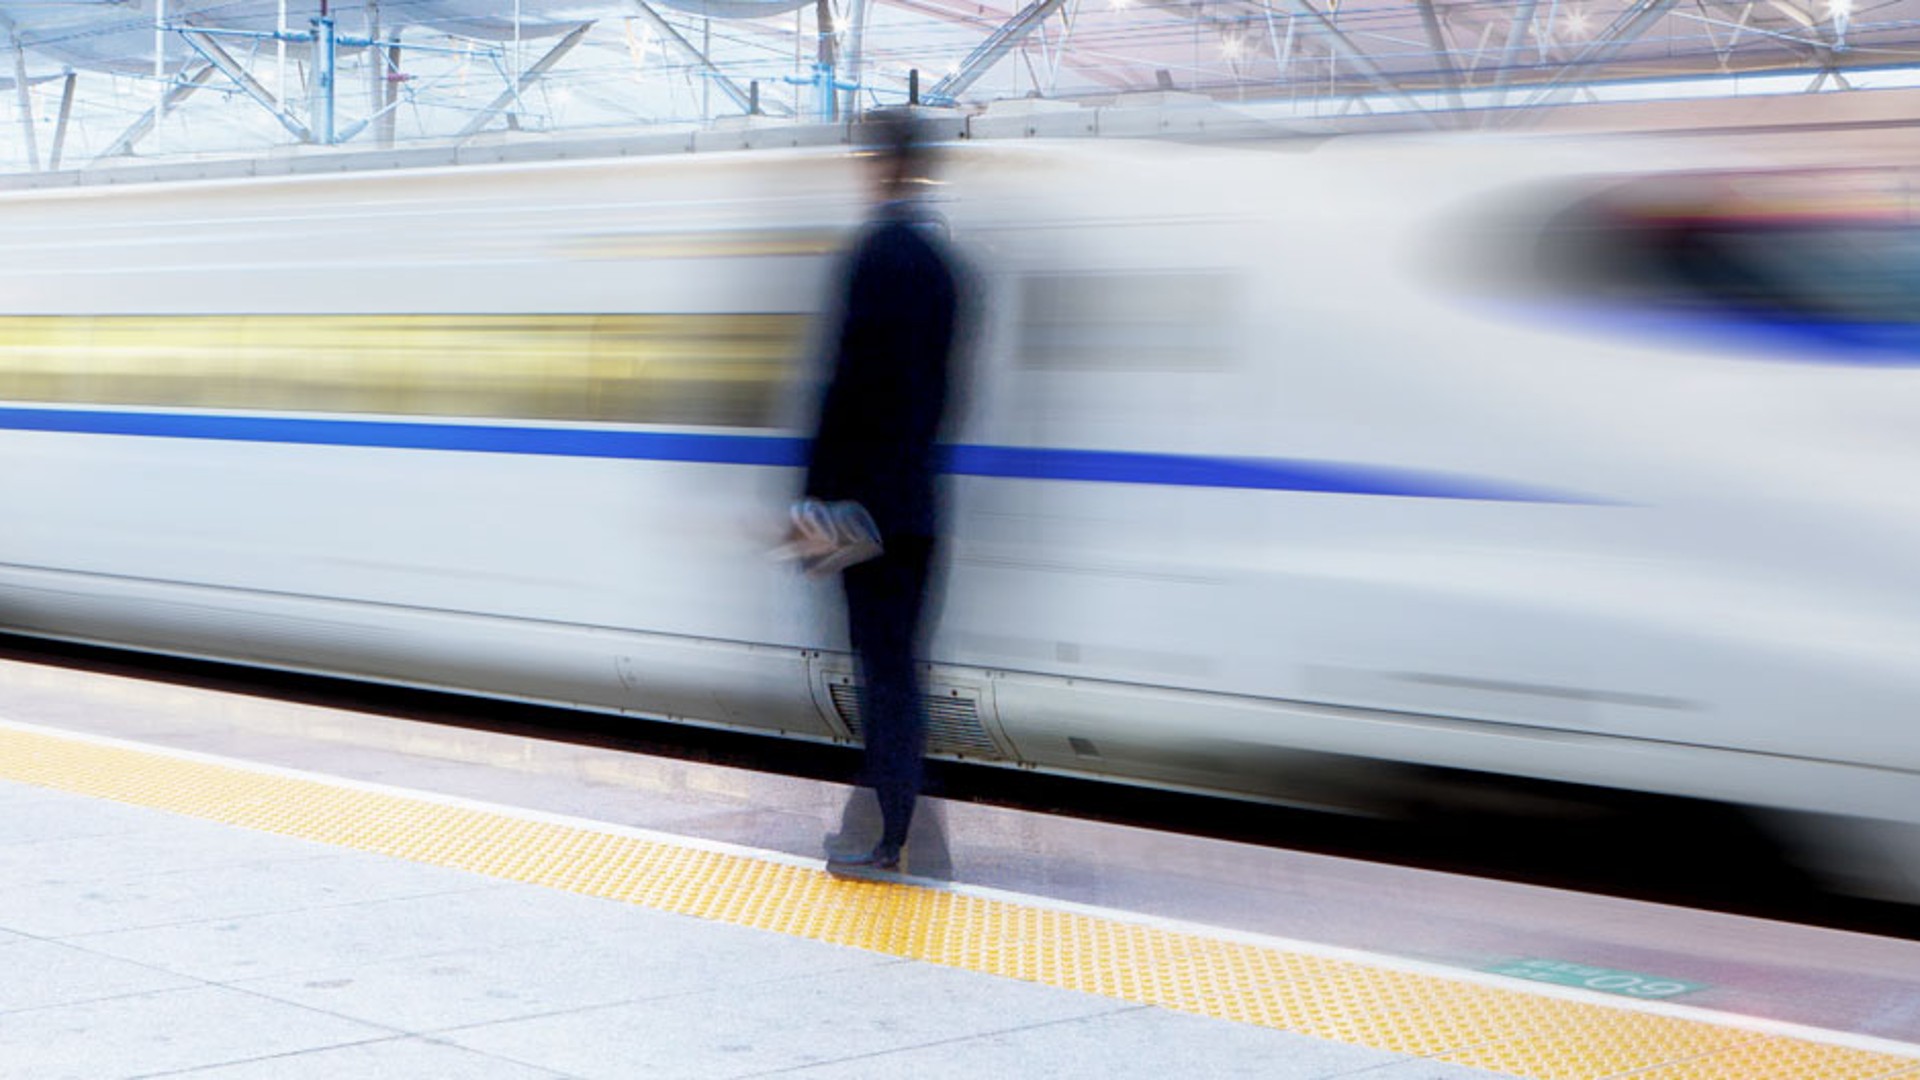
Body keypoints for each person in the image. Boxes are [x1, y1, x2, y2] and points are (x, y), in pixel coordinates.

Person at [800, 109, 963, 875]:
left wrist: (817, 496)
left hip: (867, 511)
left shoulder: (875, 255)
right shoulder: (943, 263)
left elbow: (850, 386)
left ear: (884, 165)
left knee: (884, 675)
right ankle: (887, 823)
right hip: (921, 503)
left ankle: (892, 838)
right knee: (900, 669)